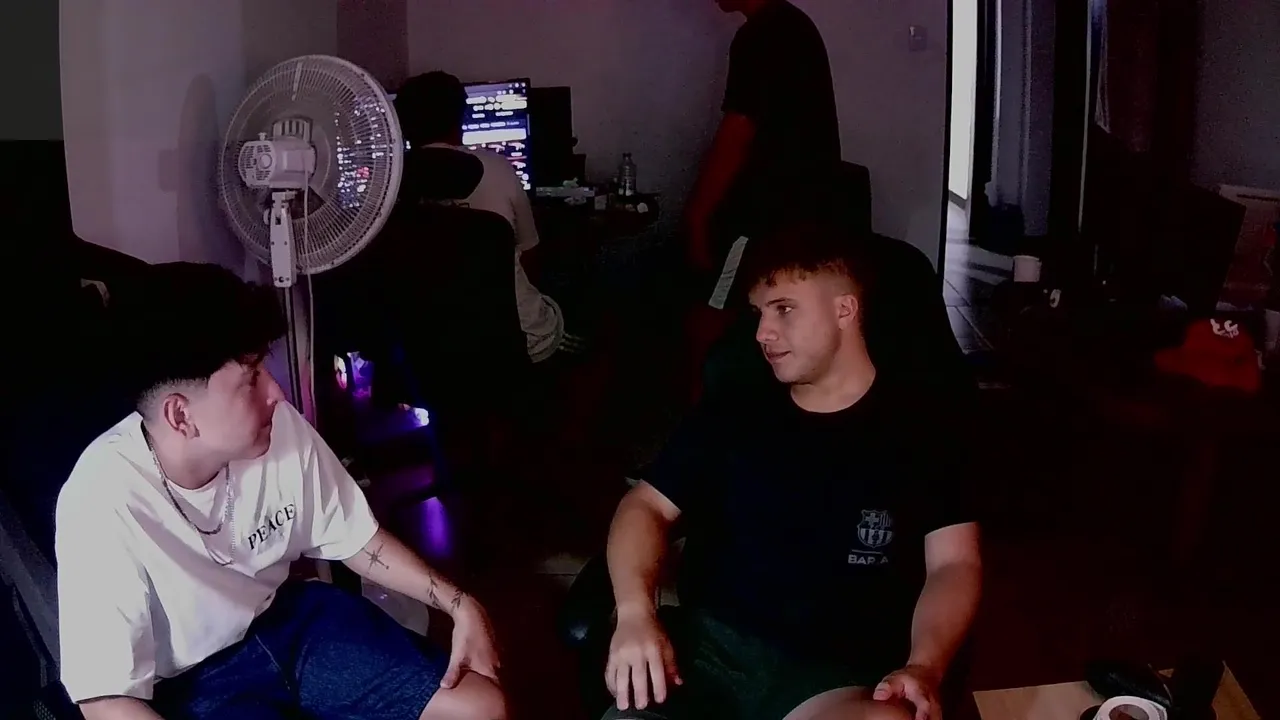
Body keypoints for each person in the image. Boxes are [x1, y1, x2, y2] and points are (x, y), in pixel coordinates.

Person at [55, 263, 507, 720]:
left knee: (480, 708)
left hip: (293, 621)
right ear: (180, 415)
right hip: (198, 682)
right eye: (252, 377)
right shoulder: (101, 499)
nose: (277, 393)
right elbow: (106, 700)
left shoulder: (277, 428)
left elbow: (356, 538)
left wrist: (459, 604)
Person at [601, 223, 982, 720]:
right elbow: (645, 505)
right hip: (707, 659)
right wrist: (634, 612)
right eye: (759, 313)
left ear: (844, 310)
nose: (762, 332)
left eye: (783, 309)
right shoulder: (734, 410)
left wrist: (925, 664)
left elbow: (954, 564)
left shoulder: (922, 429)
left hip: (835, 679)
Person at [682, 0, 843, 399]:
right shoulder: (794, 25)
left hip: (764, 215)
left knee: (708, 318)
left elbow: (739, 131)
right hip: (804, 214)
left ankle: (704, 417)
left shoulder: (762, 34)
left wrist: (698, 215)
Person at [394, 70, 570, 363]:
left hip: (428, 348)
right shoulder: (497, 168)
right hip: (517, 341)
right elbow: (531, 256)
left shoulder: (386, 191)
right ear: (460, 118)